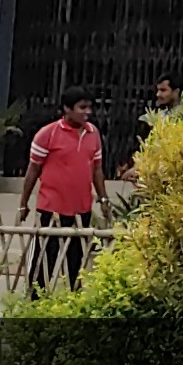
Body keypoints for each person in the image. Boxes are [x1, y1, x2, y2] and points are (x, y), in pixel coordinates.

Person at [25, 96, 106, 288]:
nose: (88, 112)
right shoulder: (48, 133)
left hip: (81, 210)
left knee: (76, 263)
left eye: (89, 107)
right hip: (51, 208)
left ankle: (72, 300)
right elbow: (33, 170)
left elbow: (97, 169)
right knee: (43, 261)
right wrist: (23, 204)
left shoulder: (93, 133)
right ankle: (35, 301)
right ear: (67, 108)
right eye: (82, 107)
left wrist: (103, 199)